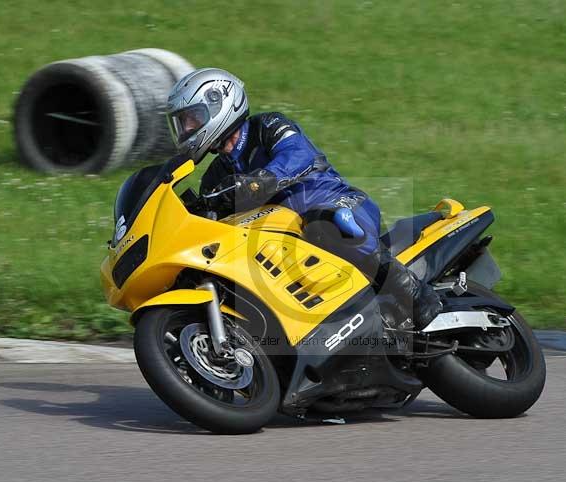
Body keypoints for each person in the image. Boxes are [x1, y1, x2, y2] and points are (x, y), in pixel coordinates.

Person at [165, 68, 442, 329]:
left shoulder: (267, 126)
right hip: (285, 240)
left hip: (338, 202)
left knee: (328, 225)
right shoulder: (216, 176)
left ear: (218, 104)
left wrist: (257, 181)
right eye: (182, 123)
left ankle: (413, 292)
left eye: (192, 119)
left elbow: (298, 155)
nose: (186, 129)